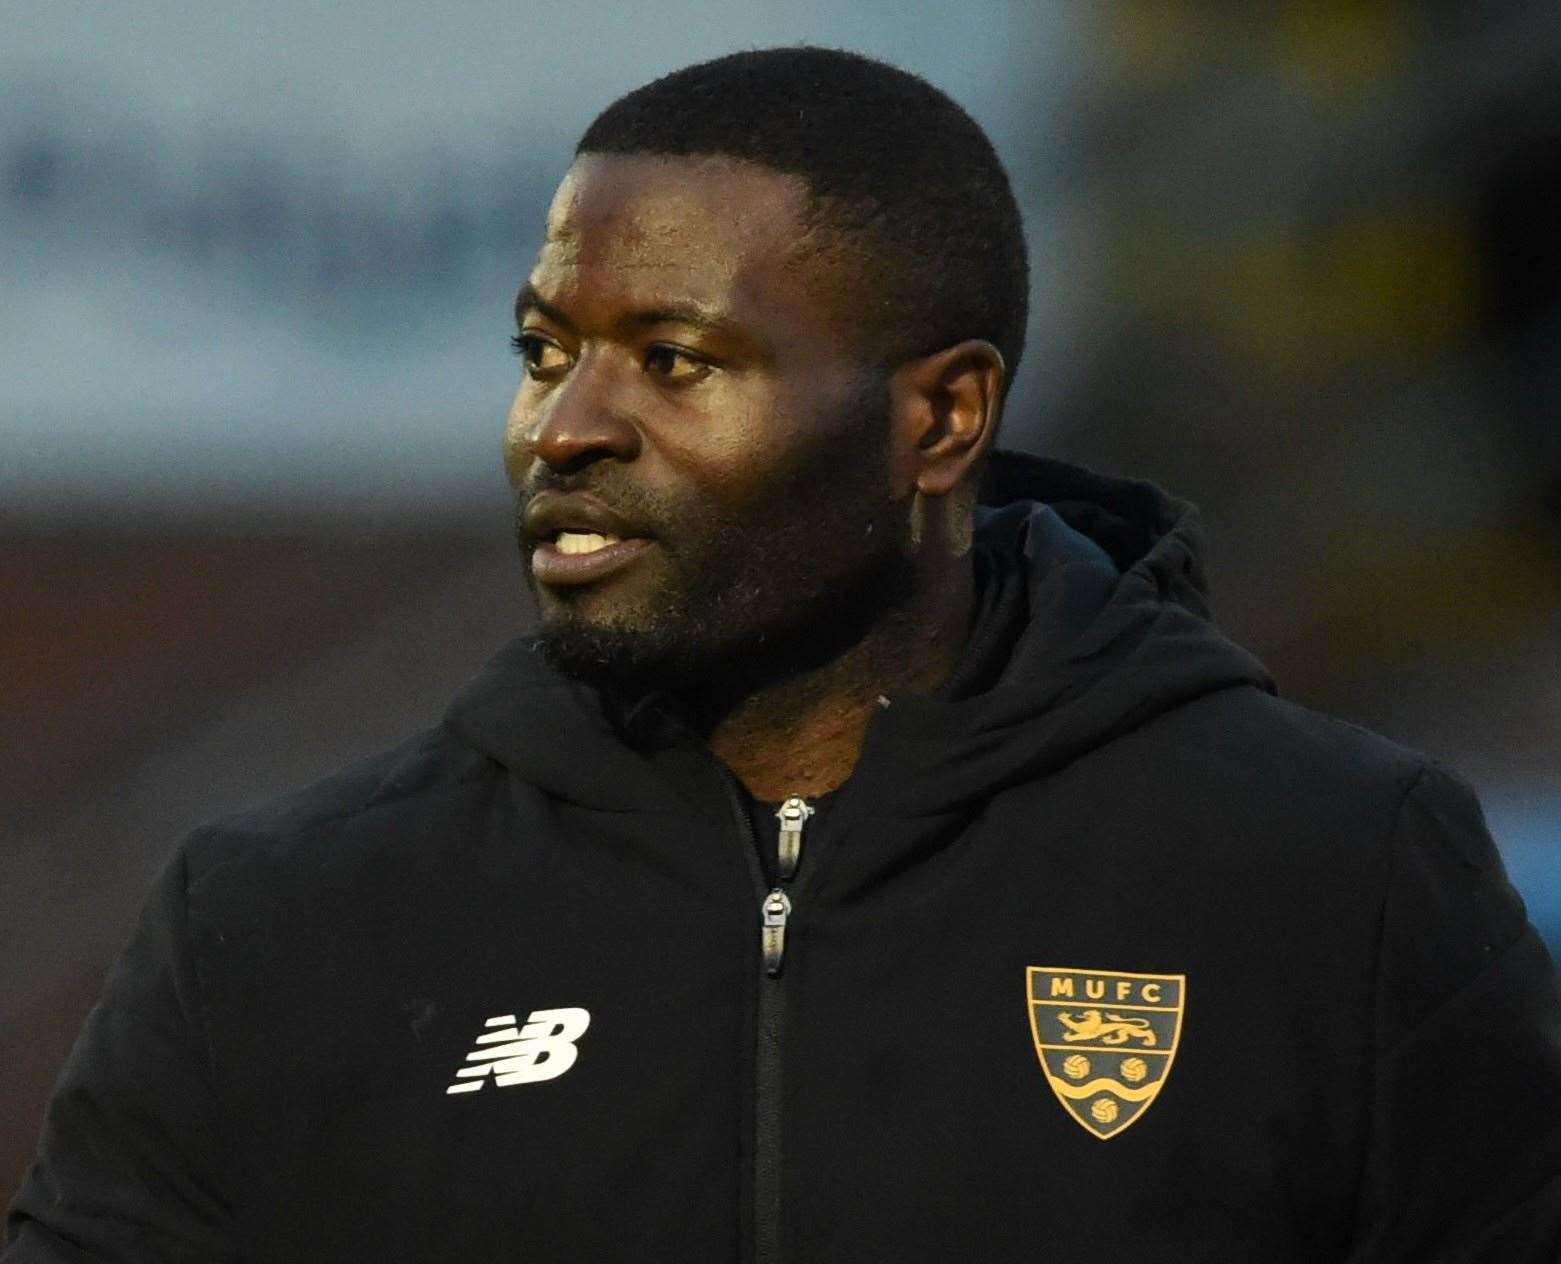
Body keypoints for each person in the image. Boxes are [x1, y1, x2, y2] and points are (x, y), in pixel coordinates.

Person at [7, 46, 1561, 1264]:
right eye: (544, 353)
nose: (565, 428)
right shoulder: (290, 914)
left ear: (937, 419)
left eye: (673, 363)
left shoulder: (1328, 869)